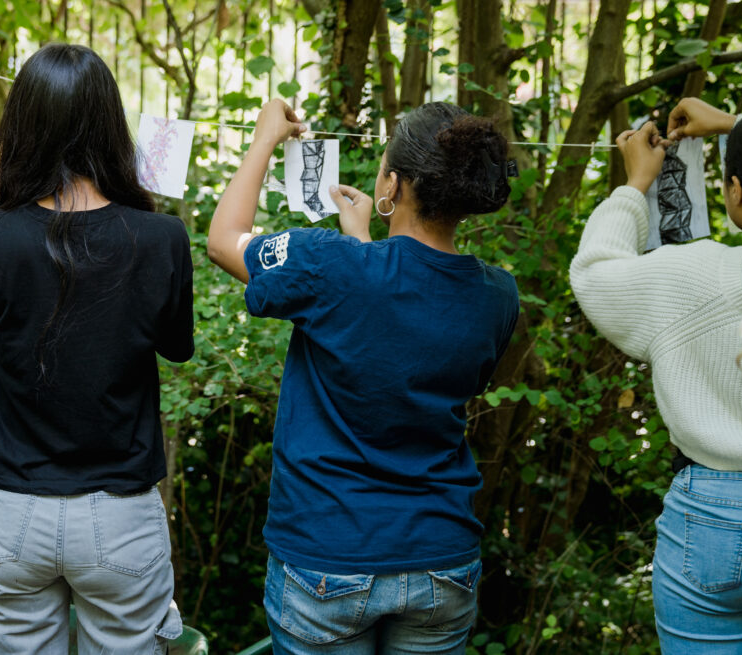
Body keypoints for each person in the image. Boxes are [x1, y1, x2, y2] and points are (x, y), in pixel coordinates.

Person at [206, 99, 520, 653]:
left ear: (393, 186)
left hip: (328, 555)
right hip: (441, 562)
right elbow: (405, 325)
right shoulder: (497, 296)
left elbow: (224, 240)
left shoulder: (332, 266)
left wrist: (264, 140)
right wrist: (361, 245)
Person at [0, 43, 193, 654]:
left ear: (21, 125)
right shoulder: (161, 238)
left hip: (10, 509)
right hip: (120, 514)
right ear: (112, 127)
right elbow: (177, 347)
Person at [570, 98, 742, 653]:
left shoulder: (694, 276)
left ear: (736, 190)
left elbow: (596, 273)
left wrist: (635, 186)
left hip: (715, 520)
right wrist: (733, 125)